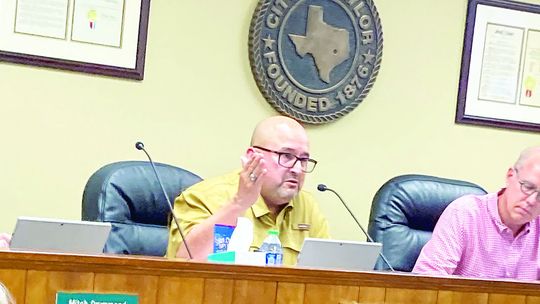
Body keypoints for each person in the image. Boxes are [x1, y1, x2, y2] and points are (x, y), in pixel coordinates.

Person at [166, 116, 329, 265]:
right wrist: (239, 203)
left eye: (304, 160)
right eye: (286, 156)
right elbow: (185, 264)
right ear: (253, 156)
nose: (298, 169)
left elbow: (327, 273)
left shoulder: (307, 206)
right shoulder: (202, 197)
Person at [413, 146, 540, 280]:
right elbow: (427, 281)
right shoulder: (464, 214)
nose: (532, 200)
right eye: (527, 187)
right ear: (510, 176)